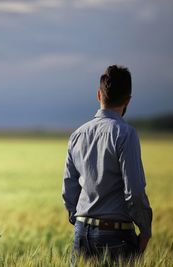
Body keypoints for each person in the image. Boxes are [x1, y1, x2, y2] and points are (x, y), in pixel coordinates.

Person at [62, 65, 152, 263]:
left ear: (98, 95)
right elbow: (135, 191)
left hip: (81, 231)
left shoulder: (77, 135)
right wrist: (145, 230)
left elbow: (69, 189)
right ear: (128, 100)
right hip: (115, 235)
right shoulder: (125, 134)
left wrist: (79, 221)